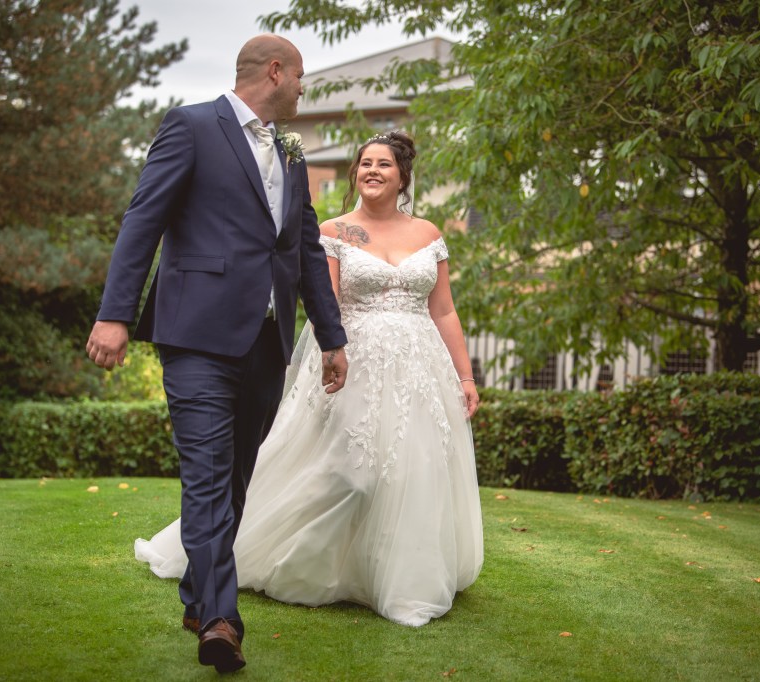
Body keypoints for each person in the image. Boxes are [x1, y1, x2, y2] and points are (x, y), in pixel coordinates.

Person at [136, 130, 484, 628]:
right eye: (365, 163)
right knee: (354, 475)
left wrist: (465, 376)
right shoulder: (335, 231)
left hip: (420, 369)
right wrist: (330, 352)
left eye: (383, 164)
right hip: (356, 363)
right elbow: (325, 300)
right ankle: (298, 561)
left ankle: (399, 577)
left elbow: (444, 310)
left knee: (417, 469)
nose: (372, 171)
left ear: (403, 177)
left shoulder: (428, 234)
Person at [86, 34, 348, 674]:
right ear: (276, 72)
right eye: (301, 77)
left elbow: (305, 248)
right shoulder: (192, 126)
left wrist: (332, 336)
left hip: (266, 342)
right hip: (196, 335)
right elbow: (143, 219)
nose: (304, 89)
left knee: (234, 480)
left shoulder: (290, 152)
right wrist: (115, 315)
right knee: (206, 474)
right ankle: (220, 620)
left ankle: (195, 593)